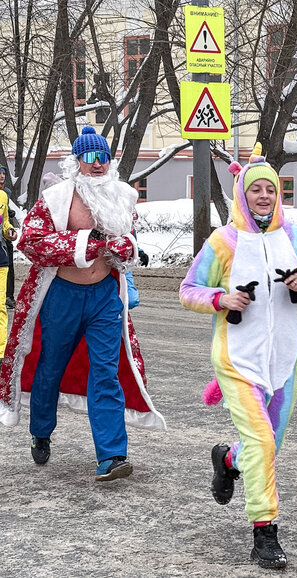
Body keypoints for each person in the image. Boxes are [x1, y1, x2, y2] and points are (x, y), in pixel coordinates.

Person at [180, 144, 297, 569]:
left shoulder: (294, 236)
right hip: (237, 360)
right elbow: (188, 291)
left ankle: (226, 460)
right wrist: (222, 298)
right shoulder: (223, 240)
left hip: (285, 361)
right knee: (261, 441)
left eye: (270, 190)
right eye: (256, 189)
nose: (264, 196)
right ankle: (265, 532)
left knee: (266, 446)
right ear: (242, 194)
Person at [0, 126, 166, 480]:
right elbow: (31, 242)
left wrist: (128, 249)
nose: (97, 164)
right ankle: (41, 431)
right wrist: (90, 243)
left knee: (105, 370)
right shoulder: (57, 198)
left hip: (105, 296)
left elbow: (128, 241)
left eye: (102, 157)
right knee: (50, 368)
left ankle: (111, 455)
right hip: (62, 295)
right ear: (76, 162)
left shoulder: (121, 197)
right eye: (89, 158)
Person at [0, 167, 19, 356]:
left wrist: (9, 231)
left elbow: (4, 223)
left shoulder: (3, 197)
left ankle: (0, 353)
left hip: (1, 258)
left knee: (0, 308)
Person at [0, 166, 17, 310]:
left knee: (9, 267)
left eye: (3, 173)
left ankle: (9, 296)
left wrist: (9, 229)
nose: (1, 176)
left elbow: (5, 218)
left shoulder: (5, 193)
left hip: (3, 243)